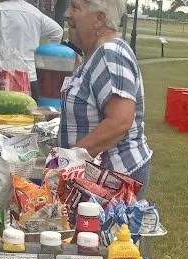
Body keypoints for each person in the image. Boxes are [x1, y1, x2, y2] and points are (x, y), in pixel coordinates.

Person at [59, 0, 151, 195]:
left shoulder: (110, 54)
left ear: (99, 18)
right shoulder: (94, 54)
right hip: (99, 177)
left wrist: (67, 161)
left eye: (75, 8)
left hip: (114, 180)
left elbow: (119, 122)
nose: (67, 14)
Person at [0, 0, 63, 102]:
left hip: (3, 77)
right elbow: (57, 32)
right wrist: (44, 61)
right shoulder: (35, 13)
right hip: (31, 77)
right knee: (31, 116)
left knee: (0, 116)